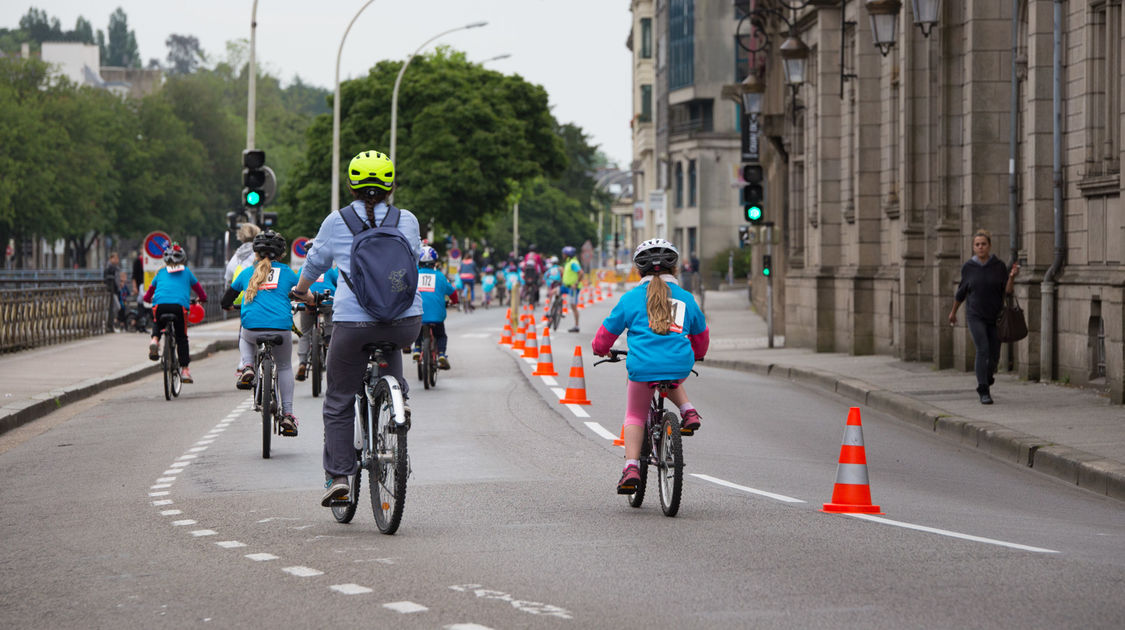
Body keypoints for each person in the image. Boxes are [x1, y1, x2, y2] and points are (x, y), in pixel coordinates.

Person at [291, 150, 422, 508]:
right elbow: (415, 258)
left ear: (351, 185)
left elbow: (315, 262)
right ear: (391, 185)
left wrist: (302, 292)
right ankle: (400, 404)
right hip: (406, 321)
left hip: (352, 321)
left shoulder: (336, 221)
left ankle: (338, 478)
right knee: (390, 342)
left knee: (338, 399)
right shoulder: (406, 220)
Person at [591, 239, 709, 494]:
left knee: (634, 414)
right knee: (671, 373)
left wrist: (600, 349)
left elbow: (605, 335)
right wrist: (698, 354)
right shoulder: (686, 298)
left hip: (643, 367)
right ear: (675, 268)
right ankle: (688, 410)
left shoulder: (631, 299)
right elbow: (701, 335)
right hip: (679, 364)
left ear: (638, 270)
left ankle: (631, 467)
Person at [221, 230, 301, 435]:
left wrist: (231, 307)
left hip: (252, 328)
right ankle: (289, 414)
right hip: (281, 328)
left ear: (255, 253)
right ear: (281, 254)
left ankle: (247, 365)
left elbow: (225, 301)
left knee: (245, 336)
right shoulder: (288, 273)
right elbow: (301, 292)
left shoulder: (246, 273)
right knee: (283, 367)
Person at [948, 229, 1019, 405]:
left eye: (983, 244)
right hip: (975, 315)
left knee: (994, 354)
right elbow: (961, 293)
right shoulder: (969, 267)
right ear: (973, 247)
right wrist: (953, 312)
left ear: (989, 246)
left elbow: (1007, 291)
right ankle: (983, 389)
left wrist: (1011, 277)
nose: (980, 247)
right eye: (977, 244)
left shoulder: (999, 266)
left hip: (996, 316)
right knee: (983, 348)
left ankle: (988, 375)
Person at [143, 243, 207, 383]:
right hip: (179, 308)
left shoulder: (160, 273)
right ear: (183, 259)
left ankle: (155, 340)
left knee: (157, 321)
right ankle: (184, 370)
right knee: (182, 338)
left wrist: (148, 299)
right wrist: (202, 299)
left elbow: (147, 295)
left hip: (160, 305)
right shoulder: (187, 272)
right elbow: (200, 291)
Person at [413, 245, 457, 369]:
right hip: (437, 316)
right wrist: (454, 301)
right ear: (435, 262)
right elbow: (452, 292)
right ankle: (442, 354)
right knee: (441, 335)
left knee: (418, 330)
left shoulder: (415, 275)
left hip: (419, 313)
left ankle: (417, 349)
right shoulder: (440, 276)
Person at [295, 264, 339, 382]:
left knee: (305, 332)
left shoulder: (302, 268)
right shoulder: (329, 270)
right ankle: (329, 341)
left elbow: (296, 286)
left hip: (306, 303)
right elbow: (338, 283)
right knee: (330, 321)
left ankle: (302, 363)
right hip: (327, 301)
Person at [560, 245, 585, 333]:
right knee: (554, 291)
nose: (562, 255)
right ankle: (558, 310)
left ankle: (576, 326)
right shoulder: (568, 262)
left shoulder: (573, 263)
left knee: (573, 306)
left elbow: (581, 273)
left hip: (573, 288)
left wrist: (576, 283)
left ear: (567, 254)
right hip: (566, 286)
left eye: (564, 253)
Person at [102, 251, 121, 332]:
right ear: (111, 259)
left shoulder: (115, 267)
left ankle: (110, 323)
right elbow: (107, 278)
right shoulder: (109, 267)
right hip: (110, 290)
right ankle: (108, 323)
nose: (117, 260)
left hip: (114, 290)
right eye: (115, 258)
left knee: (113, 307)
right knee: (114, 307)